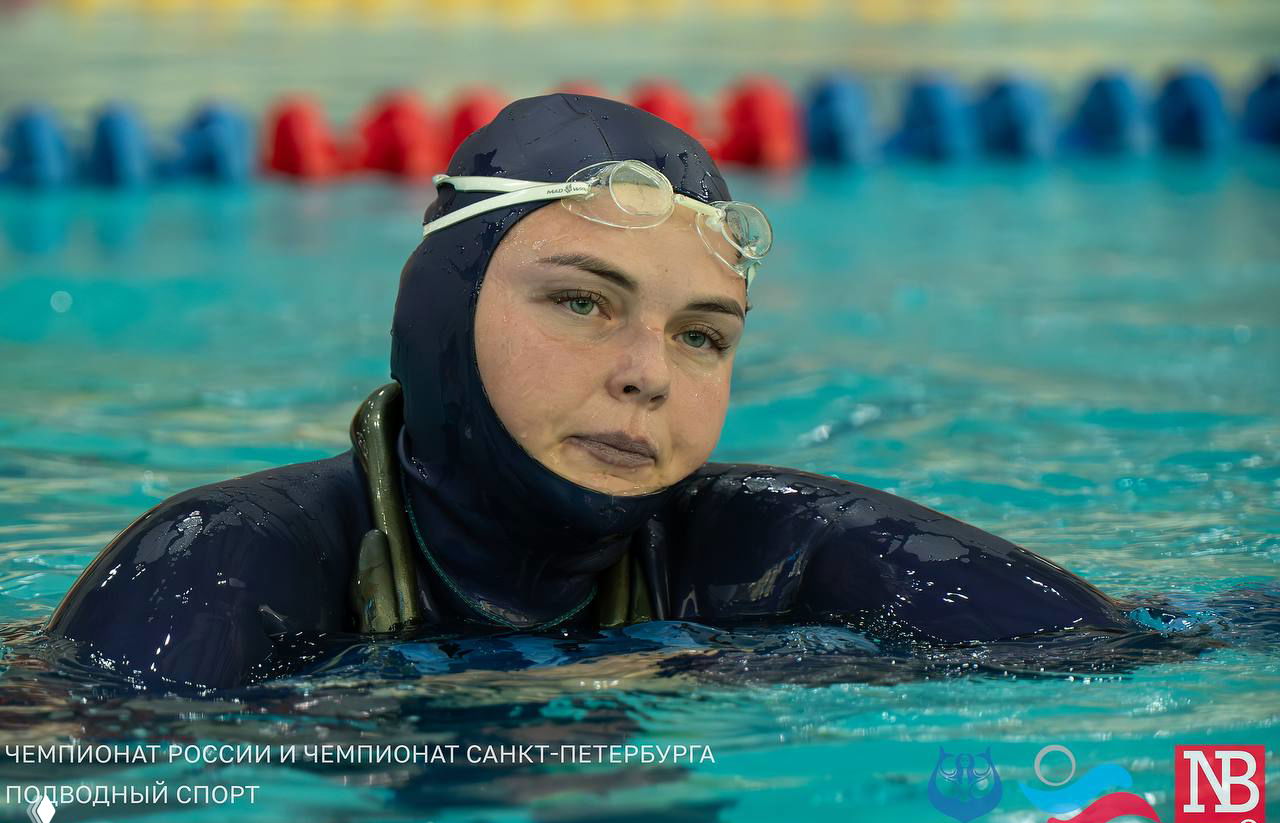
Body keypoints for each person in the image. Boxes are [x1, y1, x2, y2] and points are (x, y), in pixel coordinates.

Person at [43, 94, 1134, 690]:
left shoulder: (770, 551)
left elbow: (1142, 661)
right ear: (439, 319)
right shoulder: (224, 564)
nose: (646, 373)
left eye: (701, 336)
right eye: (579, 303)